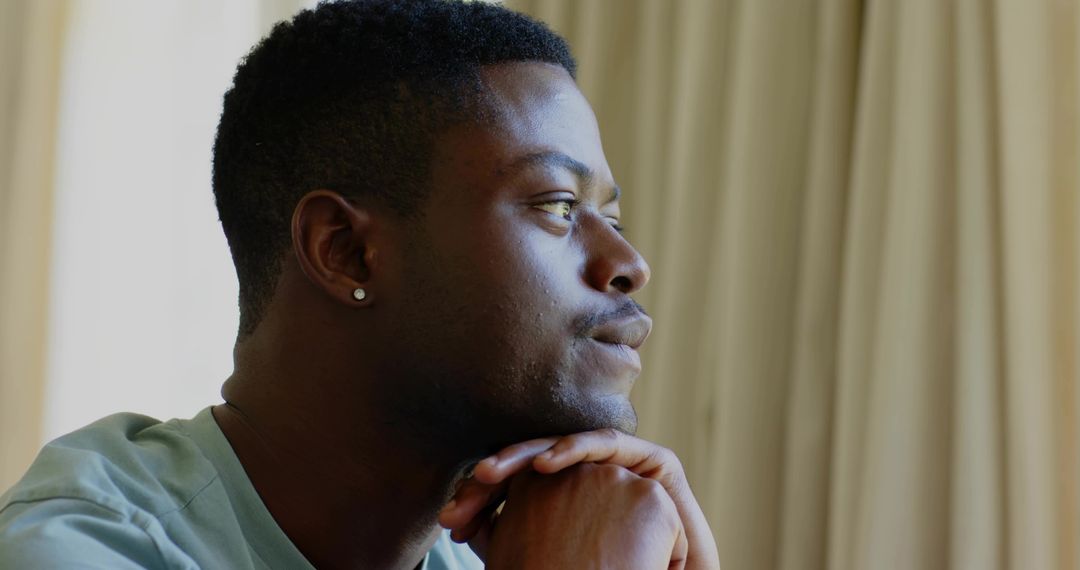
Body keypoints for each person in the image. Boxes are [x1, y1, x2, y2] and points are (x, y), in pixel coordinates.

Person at [0, 1, 721, 568]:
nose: (628, 262)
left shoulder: (503, 555)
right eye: (559, 207)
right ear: (344, 251)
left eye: (611, 214)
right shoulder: (80, 552)